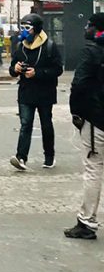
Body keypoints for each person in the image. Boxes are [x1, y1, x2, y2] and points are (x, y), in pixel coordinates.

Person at [8, 13, 64, 171]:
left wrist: (37, 73)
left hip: (45, 93)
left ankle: (49, 156)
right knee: (25, 124)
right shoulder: (20, 47)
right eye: (22, 27)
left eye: (27, 28)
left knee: (46, 124)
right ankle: (21, 157)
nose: (24, 31)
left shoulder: (49, 46)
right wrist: (15, 69)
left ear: (37, 29)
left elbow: (58, 69)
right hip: (26, 92)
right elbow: (12, 69)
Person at [65, 13, 104, 239]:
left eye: (90, 25)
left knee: (94, 168)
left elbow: (79, 85)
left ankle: (87, 221)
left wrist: (77, 113)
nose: (86, 28)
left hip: (96, 119)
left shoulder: (90, 52)